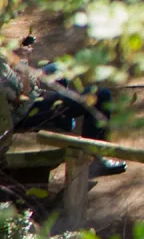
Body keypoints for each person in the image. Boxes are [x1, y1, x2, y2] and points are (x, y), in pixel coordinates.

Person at [1, 38, 126, 176]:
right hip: (20, 113)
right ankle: (95, 160)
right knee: (100, 95)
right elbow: (21, 95)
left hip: (19, 96)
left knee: (58, 69)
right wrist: (23, 61)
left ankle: (61, 120)